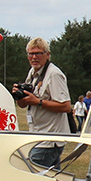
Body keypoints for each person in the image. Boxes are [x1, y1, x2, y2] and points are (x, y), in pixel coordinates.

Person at [15, 38, 72, 169]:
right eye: (31, 54)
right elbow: (24, 105)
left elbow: (66, 106)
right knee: (51, 180)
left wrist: (38, 102)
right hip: (38, 136)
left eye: (38, 53)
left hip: (49, 140)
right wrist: (19, 95)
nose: (34, 57)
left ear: (47, 55)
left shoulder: (54, 74)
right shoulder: (33, 72)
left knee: (31, 176)